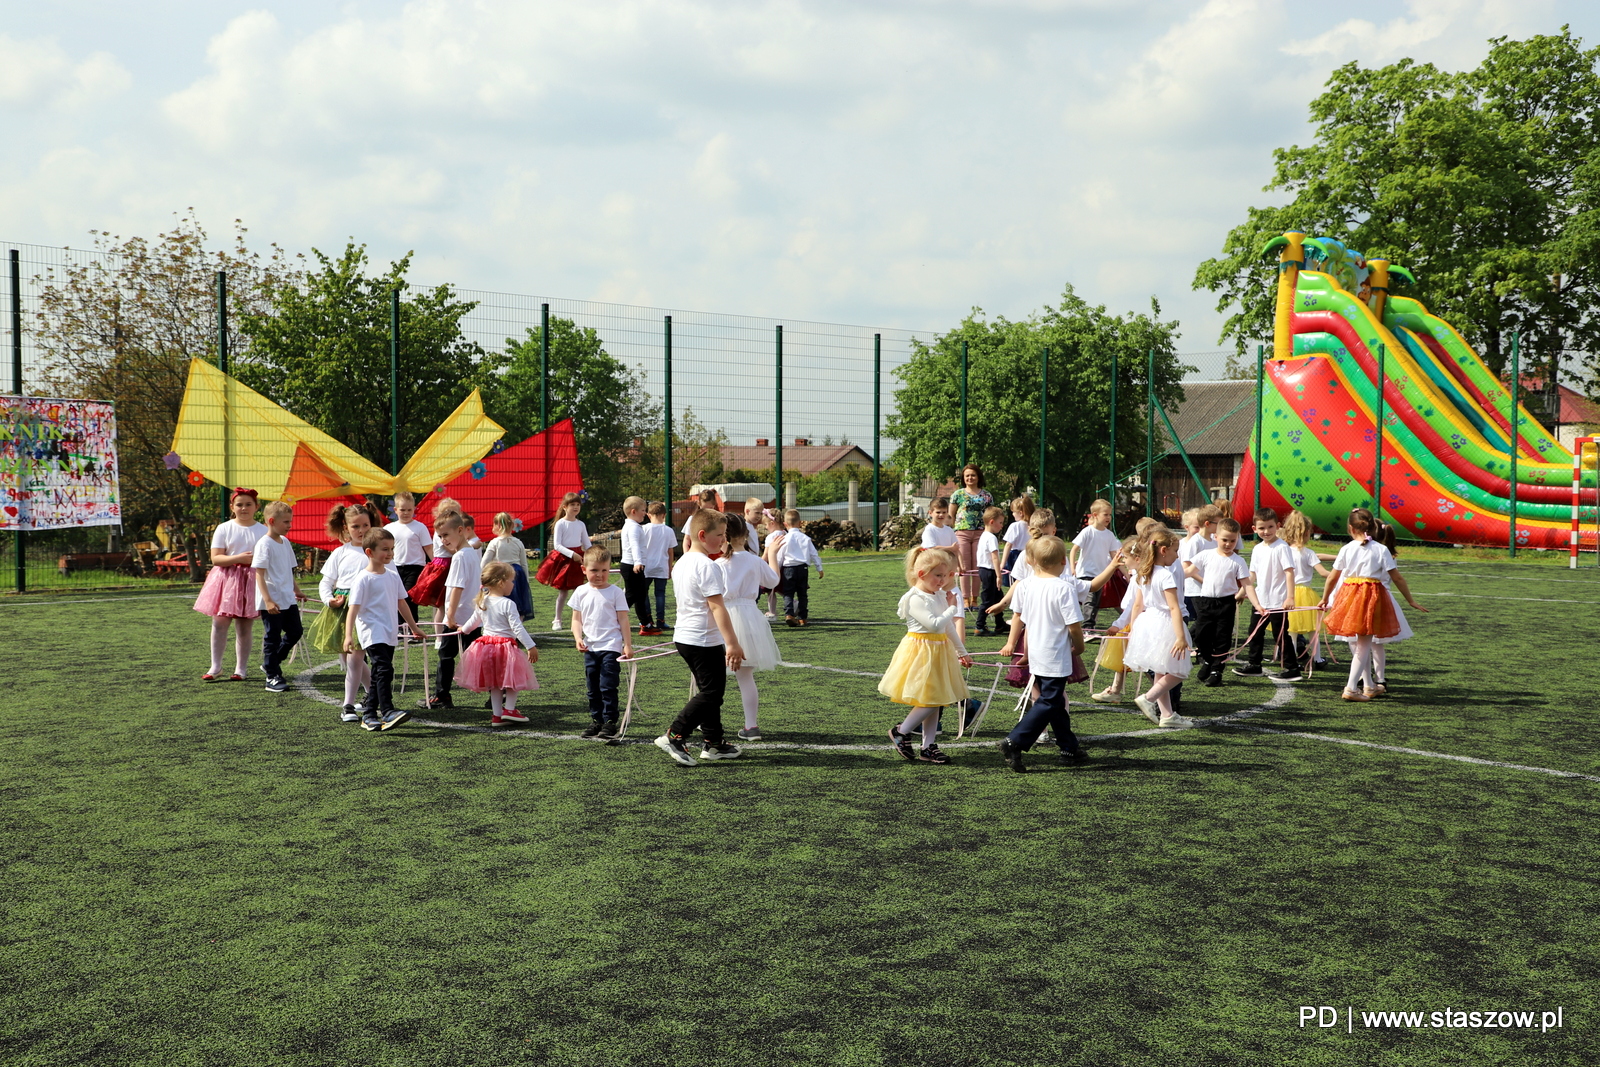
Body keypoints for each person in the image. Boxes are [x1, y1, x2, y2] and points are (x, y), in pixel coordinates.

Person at [653, 509, 746, 766]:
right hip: (703, 639)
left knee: (709, 690)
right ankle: (674, 735)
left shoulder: (683, 562)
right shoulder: (706, 565)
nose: (724, 540)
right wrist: (732, 643)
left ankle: (714, 742)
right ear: (703, 535)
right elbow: (716, 607)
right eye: (720, 535)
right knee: (713, 693)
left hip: (686, 637)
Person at [997, 535, 1089, 771]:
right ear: (1062, 561)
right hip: (1054, 653)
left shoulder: (1026, 585)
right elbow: (1074, 626)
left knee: (1054, 701)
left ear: (1032, 561)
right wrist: (1079, 647)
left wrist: (1026, 652)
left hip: (1037, 650)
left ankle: (1069, 747)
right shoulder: (1063, 588)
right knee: (1049, 701)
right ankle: (1014, 741)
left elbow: (1024, 622)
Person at [1321, 508, 1426, 701]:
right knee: (1363, 644)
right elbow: (1397, 578)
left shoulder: (1346, 549)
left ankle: (1368, 685)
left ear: (1350, 528)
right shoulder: (1380, 549)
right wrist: (1410, 600)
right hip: (1371, 598)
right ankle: (1352, 688)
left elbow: (1333, 578)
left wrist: (1325, 598)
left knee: (1361, 643)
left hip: (1350, 597)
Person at [879, 546, 971, 764]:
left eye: (945, 575)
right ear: (921, 574)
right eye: (937, 575)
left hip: (939, 651)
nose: (942, 580)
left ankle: (928, 746)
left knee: (936, 700)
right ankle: (902, 730)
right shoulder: (915, 598)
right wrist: (952, 606)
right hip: (922, 652)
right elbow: (936, 625)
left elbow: (948, 628)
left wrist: (962, 652)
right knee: (930, 699)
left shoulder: (937, 595)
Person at [342, 528, 420, 731]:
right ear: (369, 552)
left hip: (389, 631)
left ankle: (368, 715)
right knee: (384, 668)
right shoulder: (363, 578)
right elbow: (353, 608)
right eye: (385, 549)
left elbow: (402, 603)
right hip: (371, 631)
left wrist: (413, 627)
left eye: (392, 549)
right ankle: (387, 711)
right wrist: (349, 635)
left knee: (379, 672)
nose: (390, 553)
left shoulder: (393, 576)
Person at [306, 504, 375, 722]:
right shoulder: (340, 552)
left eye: (366, 525)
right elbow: (326, 582)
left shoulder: (376, 549)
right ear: (345, 526)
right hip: (342, 610)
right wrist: (329, 600)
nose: (362, 530)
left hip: (366, 610)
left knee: (355, 659)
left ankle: (348, 706)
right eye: (356, 526)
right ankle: (373, 694)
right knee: (350, 658)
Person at [718, 513, 782, 741]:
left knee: (708, 676)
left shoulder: (718, 564)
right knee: (745, 677)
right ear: (745, 535)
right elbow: (773, 581)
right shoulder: (754, 560)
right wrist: (772, 554)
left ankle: (703, 719)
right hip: (749, 618)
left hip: (724, 618)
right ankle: (750, 725)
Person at [194, 488, 266, 681]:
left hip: (251, 580)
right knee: (219, 622)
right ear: (232, 507)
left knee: (244, 626)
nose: (244, 508)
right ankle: (215, 666)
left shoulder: (263, 530)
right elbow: (216, 558)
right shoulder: (224, 528)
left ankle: (240, 669)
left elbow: (268, 558)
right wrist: (239, 558)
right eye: (239, 504)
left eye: (248, 504)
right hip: (226, 580)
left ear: (256, 507)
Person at [1123, 527, 1193, 728]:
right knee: (1179, 671)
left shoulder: (1144, 572)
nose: (1177, 555)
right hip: (1165, 623)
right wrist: (1180, 637)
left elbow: (1138, 604)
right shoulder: (1165, 575)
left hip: (1149, 621)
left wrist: (1134, 628)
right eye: (1175, 551)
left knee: (1162, 669)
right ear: (1164, 550)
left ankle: (1167, 715)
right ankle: (1149, 697)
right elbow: (1174, 607)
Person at [462, 560, 540, 726]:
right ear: (501, 582)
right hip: (506, 647)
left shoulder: (483, 601)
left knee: (495, 683)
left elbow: (472, 623)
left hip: (485, 648)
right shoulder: (508, 604)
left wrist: (463, 629)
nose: (513, 584)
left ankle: (497, 715)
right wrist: (530, 646)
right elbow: (517, 628)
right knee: (512, 681)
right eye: (511, 581)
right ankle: (510, 710)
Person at [1232, 507, 1303, 682]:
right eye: (1262, 528)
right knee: (1254, 632)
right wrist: (1241, 592)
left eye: (1270, 527)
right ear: (1255, 529)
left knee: (1280, 635)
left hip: (1278, 602)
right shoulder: (1257, 549)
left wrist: (1290, 597)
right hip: (1260, 602)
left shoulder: (1282, 547)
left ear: (1278, 526)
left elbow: (1289, 572)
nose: (1266, 531)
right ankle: (1254, 665)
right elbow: (1252, 575)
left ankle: (1292, 668)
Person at [1183, 517, 1256, 687]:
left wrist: (1257, 605)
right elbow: (1187, 572)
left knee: (1222, 639)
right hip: (1206, 602)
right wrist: (1164, 575)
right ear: (1215, 537)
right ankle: (1208, 661)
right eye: (1224, 539)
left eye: (1232, 540)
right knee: (1201, 636)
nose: (1228, 544)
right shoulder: (1206, 555)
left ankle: (1217, 671)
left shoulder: (1238, 561)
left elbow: (1247, 585)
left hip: (1226, 604)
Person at [421, 515, 481, 710]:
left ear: (461, 531)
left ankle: (441, 695)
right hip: (472, 616)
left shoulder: (460, 556)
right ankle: (498, 693)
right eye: (439, 536)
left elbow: (456, 588)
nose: (443, 540)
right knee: (477, 658)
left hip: (459, 618)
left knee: (446, 656)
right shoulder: (471, 552)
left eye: (446, 534)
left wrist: (451, 616)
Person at [569, 546, 629, 738]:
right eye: (594, 570)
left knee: (608, 686)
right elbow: (576, 620)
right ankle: (597, 721)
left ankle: (610, 722)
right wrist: (578, 638)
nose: (600, 575)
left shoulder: (616, 592)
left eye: (604, 570)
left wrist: (627, 644)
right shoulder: (580, 591)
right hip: (590, 648)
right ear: (584, 569)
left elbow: (624, 620)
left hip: (611, 647)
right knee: (592, 688)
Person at [251, 500, 304, 694]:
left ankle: (271, 663)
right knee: (272, 637)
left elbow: (289, 570)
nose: (289, 526)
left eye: (290, 522)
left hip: (287, 598)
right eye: (286, 522)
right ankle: (272, 676)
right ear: (272, 521)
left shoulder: (285, 542)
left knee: (295, 632)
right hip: (272, 600)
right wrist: (267, 600)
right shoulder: (264, 544)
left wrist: (296, 590)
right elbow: (259, 573)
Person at [1091, 537, 1143, 703]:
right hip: (1131, 622)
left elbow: (1133, 606)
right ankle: (1115, 690)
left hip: (1135, 623)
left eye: (1125, 558)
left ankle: (1159, 695)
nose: (1124, 562)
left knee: (1143, 662)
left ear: (1137, 559)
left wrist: (1117, 624)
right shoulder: (1137, 576)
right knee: (1124, 657)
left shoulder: (1139, 578)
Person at [1280, 510, 1332, 665]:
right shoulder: (1308, 553)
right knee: (1313, 629)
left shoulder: (1284, 550)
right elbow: (1323, 573)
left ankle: (1290, 660)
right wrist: (1339, 576)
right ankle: (1317, 659)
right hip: (1306, 594)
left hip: (1288, 593)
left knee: (1292, 630)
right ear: (1307, 532)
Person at [536, 492, 590, 630]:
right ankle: (557, 619)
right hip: (564, 560)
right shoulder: (561, 523)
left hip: (579, 559)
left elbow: (587, 543)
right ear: (565, 507)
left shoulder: (581, 524)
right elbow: (557, 545)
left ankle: (579, 620)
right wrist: (572, 555)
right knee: (563, 591)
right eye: (573, 505)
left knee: (579, 591)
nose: (576, 507)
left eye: (578, 505)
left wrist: (591, 556)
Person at [1069, 499, 1121, 631]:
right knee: (1090, 600)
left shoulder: (1109, 535)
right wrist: (1072, 567)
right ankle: (1087, 627)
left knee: (1096, 602)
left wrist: (1125, 572)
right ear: (1095, 515)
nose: (1108, 517)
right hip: (1086, 573)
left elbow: (1114, 555)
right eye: (1105, 514)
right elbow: (1074, 549)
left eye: (1110, 514)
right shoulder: (1088, 531)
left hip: (1100, 575)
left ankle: (1089, 625)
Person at [385, 491, 432, 625]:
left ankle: (412, 627)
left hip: (415, 567)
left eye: (409, 510)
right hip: (394, 567)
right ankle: (400, 626)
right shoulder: (389, 528)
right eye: (402, 510)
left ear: (414, 509)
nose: (406, 513)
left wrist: (435, 565)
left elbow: (428, 547)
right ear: (395, 510)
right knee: (396, 597)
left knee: (408, 597)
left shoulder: (419, 527)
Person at [407, 496, 462, 611]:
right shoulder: (440, 532)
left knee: (448, 601)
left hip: (449, 563)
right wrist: (463, 550)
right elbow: (450, 549)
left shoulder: (452, 531)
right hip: (443, 566)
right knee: (441, 603)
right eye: (447, 513)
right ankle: (440, 627)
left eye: (454, 513)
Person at [949, 464, 993, 604]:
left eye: (973, 475)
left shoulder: (986, 495)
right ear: (963, 478)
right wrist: (950, 532)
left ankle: (975, 598)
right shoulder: (958, 494)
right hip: (962, 532)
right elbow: (951, 515)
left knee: (977, 566)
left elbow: (991, 515)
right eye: (967, 475)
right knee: (963, 567)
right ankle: (965, 598)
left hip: (981, 533)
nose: (970, 478)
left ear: (978, 477)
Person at [773, 508, 823, 626]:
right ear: (800, 523)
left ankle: (789, 614)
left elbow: (780, 556)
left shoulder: (784, 538)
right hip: (802, 569)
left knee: (788, 593)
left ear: (785, 524)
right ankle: (802, 618)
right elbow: (814, 554)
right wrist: (819, 568)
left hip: (788, 569)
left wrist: (777, 570)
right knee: (802, 594)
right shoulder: (805, 538)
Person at [481, 512, 533, 621]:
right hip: (517, 574)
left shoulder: (494, 542)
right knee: (518, 603)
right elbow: (524, 563)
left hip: (501, 573)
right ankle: (517, 628)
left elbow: (484, 562)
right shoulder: (518, 542)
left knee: (500, 599)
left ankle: (502, 626)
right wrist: (526, 581)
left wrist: (482, 577)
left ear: (498, 526)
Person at [1177, 506, 1217, 630]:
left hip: (1208, 588)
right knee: (1200, 618)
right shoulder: (1191, 543)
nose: (1199, 529)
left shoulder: (1213, 542)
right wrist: (1204, 581)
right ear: (1187, 527)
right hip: (1193, 587)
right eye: (1196, 527)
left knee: (1207, 618)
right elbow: (1187, 566)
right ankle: (1188, 638)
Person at [619, 496, 653, 635]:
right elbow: (634, 546)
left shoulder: (632, 526)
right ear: (634, 511)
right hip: (632, 565)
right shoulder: (633, 527)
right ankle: (614, 619)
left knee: (640, 595)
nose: (645, 513)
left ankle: (645, 624)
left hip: (631, 565)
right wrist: (638, 562)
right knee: (632, 595)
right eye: (643, 510)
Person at [974, 506, 1008, 637]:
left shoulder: (983, 535)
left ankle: (1000, 624)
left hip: (984, 570)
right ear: (992, 522)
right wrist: (999, 576)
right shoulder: (991, 538)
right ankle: (980, 626)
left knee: (998, 597)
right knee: (987, 599)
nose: (1001, 525)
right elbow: (994, 557)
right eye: (1000, 522)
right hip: (989, 571)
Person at [643, 501, 675, 634]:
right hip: (661, 566)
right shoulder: (668, 530)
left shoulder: (644, 529)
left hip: (646, 567)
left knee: (644, 593)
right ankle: (660, 620)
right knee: (660, 594)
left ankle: (648, 619)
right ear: (664, 515)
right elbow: (670, 551)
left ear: (649, 515)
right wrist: (670, 568)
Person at [1001, 496, 1034, 589]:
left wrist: (1002, 563)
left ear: (1020, 513)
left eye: (1013, 512)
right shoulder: (1033, 525)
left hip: (1015, 556)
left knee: (1015, 583)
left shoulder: (1015, 526)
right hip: (1029, 555)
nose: (1012, 514)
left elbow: (1008, 544)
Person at [760, 509, 787, 617]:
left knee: (770, 590)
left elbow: (766, 555)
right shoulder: (785, 533)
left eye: (766, 524)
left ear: (772, 523)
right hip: (785, 565)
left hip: (773, 566)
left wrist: (758, 563)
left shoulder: (771, 537)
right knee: (779, 589)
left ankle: (772, 612)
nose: (766, 527)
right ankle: (794, 604)